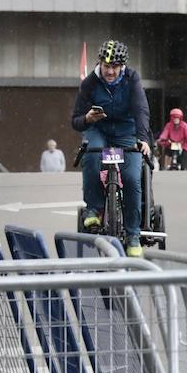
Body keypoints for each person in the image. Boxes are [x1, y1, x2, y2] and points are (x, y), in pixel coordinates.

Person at [71, 39, 152, 256]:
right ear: (100, 64)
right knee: (91, 155)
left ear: (122, 66)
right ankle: (94, 209)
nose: (109, 71)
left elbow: (141, 110)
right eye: (106, 66)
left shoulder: (132, 79)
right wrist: (87, 118)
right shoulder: (89, 83)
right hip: (99, 130)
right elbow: (75, 121)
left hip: (127, 132)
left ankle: (133, 234)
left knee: (133, 178)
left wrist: (143, 139)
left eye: (114, 67)